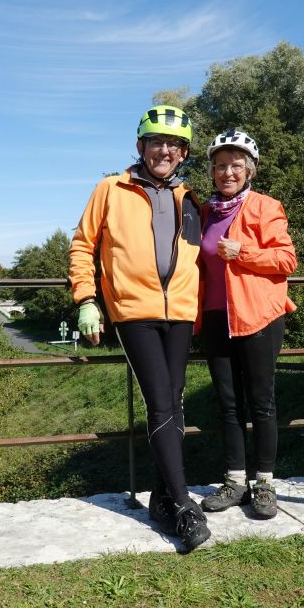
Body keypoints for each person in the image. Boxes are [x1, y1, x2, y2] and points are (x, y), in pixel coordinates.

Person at [68, 105, 210, 551]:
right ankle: (185, 506)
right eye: (155, 142)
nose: (163, 150)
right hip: (133, 312)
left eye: (173, 145)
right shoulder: (111, 188)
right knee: (161, 402)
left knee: (175, 404)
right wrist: (86, 299)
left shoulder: (190, 199)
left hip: (181, 313)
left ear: (183, 153)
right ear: (140, 147)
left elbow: (198, 258)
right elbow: (82, 244)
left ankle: (162, 500)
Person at [198, 129, 298, 520]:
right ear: (212, 171)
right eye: (220, 166)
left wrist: (244, 252)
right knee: (227, 403)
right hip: (215, 317)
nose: (227, 173)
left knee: (261, 403)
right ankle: (235, 480)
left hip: (258, 316)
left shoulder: (264, 207)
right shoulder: (205, 212)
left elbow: (286, 260)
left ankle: (265, 484)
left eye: (235, 166)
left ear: (250, 170)